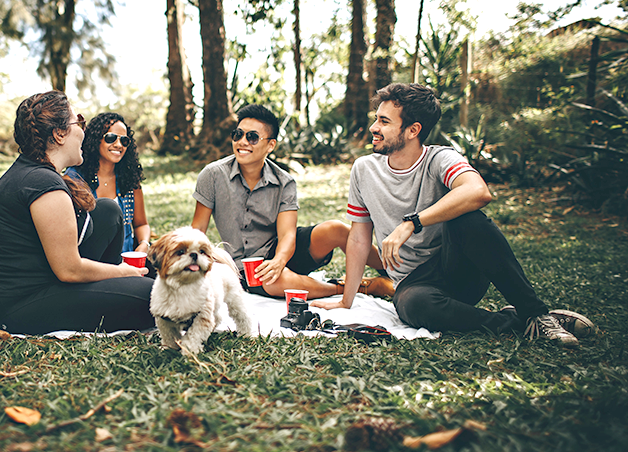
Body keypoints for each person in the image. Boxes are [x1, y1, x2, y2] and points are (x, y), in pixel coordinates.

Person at [313, 83, 594, 347]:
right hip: (415, 286)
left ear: (413, 130)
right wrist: (346, 301)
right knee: (412, 306)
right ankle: (519, 321)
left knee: (468, 218)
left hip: (457, 269)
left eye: (384, 122)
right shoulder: (364, 170)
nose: (374, 127)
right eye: (377, 118)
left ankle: (536, 313)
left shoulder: (440, 158)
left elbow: (478, 191)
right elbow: (359, 238)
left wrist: (413, 222)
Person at [0, 91, 155, 335]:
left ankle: (119, 286)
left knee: (107, 211)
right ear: (59, 134)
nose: (83, 131)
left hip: (43, 279)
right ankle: (124, 286)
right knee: (153, 296)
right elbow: (69, 270)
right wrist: (124, 271)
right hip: (15, 306)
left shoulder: (36, 172)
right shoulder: (42, 184)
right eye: (78, 122)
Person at [191, 104, 393, 300]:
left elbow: (287, 234)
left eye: (252, 137)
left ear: (270, 145)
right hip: (245, 267)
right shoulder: (213, 175)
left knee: (336, 229)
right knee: (275, 281)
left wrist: (279, 261)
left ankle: (395, 273)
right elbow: (197, 230)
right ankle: (359, 287)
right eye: (238, 134)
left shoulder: (284, 182)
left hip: (281, 250)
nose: (242, 142)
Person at [66, 112, 152, 256]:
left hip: (127, 262)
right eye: (111, 138)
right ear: (95, 140)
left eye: (124, 140)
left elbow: (141, 224)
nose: (118, 145)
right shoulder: (75, 178)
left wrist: (144, 244)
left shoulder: (129, 179)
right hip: (90, 263)